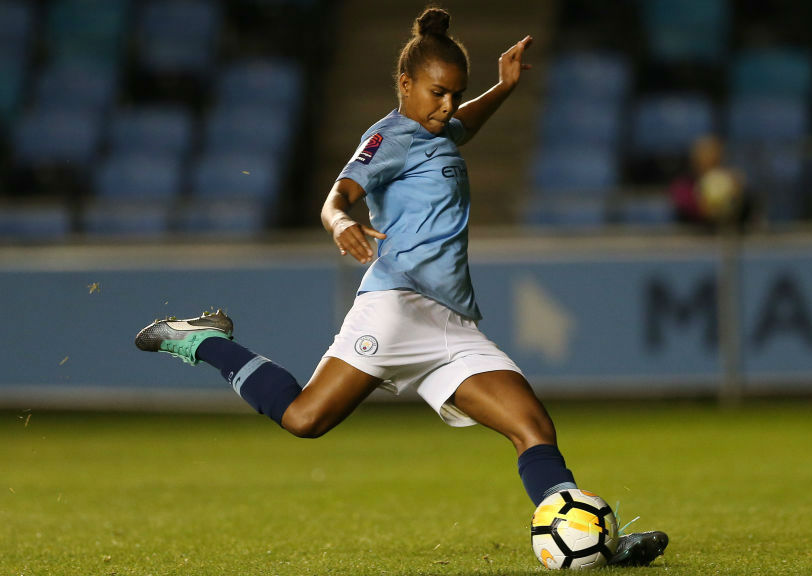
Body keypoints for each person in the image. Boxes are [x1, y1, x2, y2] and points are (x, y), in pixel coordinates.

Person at [135, 7, 667, 567]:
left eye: (455, 95)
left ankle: (590, 541)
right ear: (405, 84)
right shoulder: (386, 137)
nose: (448, 106)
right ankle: (199, 340)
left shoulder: (439, 128)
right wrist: (342, 224)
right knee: (304, 419)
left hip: (451, 323)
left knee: (532, 426)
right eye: (438, 93)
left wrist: (503, 88)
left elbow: (465, 125)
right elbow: (336, 198)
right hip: (395, 308)